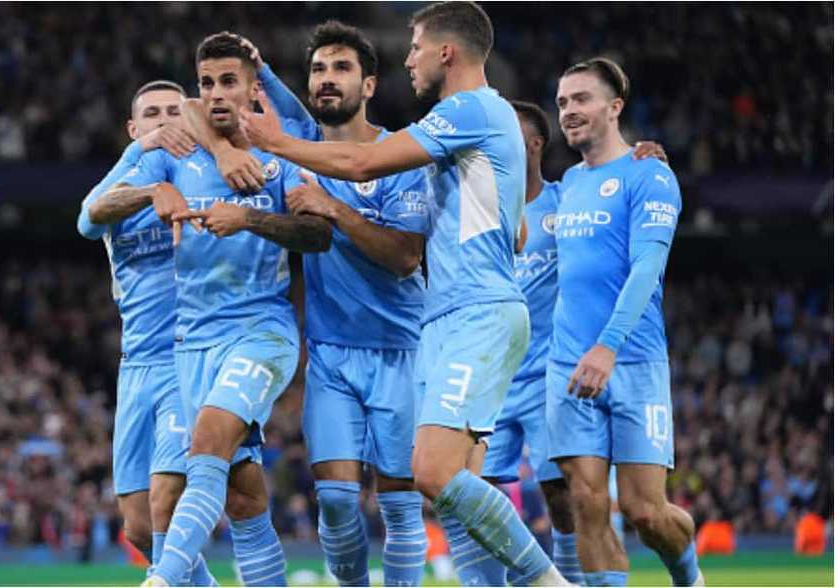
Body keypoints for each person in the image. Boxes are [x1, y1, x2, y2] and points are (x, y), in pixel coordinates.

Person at [241, 2, 569, 584]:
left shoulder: (468, 109)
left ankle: (549, 582)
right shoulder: (480, 126)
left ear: (447, 51)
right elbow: (515, 228)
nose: (408, 58)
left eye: (415, 46)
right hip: (449, 317)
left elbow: (364, 162)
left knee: (433, 475)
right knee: (456, 491)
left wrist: (276, 143)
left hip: (475, 311)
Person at [195, 23, 432, 586]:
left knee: (399, 505)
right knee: (336, 503)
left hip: (402, 351)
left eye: (341, 69)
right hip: (330, 354)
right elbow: (192, 104)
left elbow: (404, 257)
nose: (327, 80)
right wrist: (258, 70)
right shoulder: (304, 147)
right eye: (319, 70)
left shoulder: (401, 156)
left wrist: (333, 209)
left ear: (369, 84)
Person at [106, 32, 332, 587]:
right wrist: (151, 192)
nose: (215, 94)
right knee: (242, 491)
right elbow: (94, 212)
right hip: (192, 343)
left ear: (254, 89)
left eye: (228, 82)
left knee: (206, 442)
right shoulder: (176, 155)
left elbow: (317, 236)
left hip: (261, 331)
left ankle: (162, 582)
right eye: (206, 83)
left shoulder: (279, 153)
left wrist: (249, 218)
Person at [456, 101, 667, 586]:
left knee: (566, 497)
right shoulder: (473, 212)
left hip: (551, 377)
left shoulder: (566, 201)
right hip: (490, 379)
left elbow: (612, 194)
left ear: (532, 144)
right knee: (474, 496)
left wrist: (648, 157)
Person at [547, 57, 703, 587]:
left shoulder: (649, 174)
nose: (569, 111)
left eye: (582, 99)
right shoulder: (567, 182)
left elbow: (647, 268)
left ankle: (688, 574)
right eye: (563, 101)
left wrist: (608, 346)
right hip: (568, 361)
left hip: (631, 360)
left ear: (615, 108)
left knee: (645, 512)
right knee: (587, 503)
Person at [77, 80, 217, 585]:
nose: (164, 121)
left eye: (174, 112)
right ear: (133, 129)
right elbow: (87, 221)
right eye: (152, 114)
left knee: (165, 503)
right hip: (135, 368)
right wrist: (146, 171)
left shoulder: (204, 174)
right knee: (138, 527)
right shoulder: (122, 190)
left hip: (188, 358)